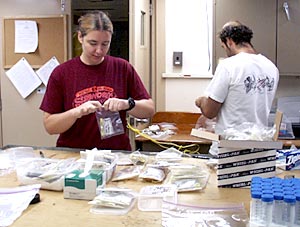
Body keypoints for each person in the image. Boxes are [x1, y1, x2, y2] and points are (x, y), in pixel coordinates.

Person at [40, 11, 155, 150]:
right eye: (93, 43)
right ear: (80, 37)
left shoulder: (122, 68)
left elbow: (149, 110)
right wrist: (76, 112)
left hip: (115, 154)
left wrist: (127, 104)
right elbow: (50, 126)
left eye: (105, 44)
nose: (99, 51)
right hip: (75, 155)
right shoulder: (62, 73)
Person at [195, 21, 279, 155]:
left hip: (229, 151)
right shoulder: (271, 68)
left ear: (229, 41)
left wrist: (200, 101)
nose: (226, 52)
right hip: (258, 150)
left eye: (224, 47)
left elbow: (209, 112)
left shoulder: (229, 65)